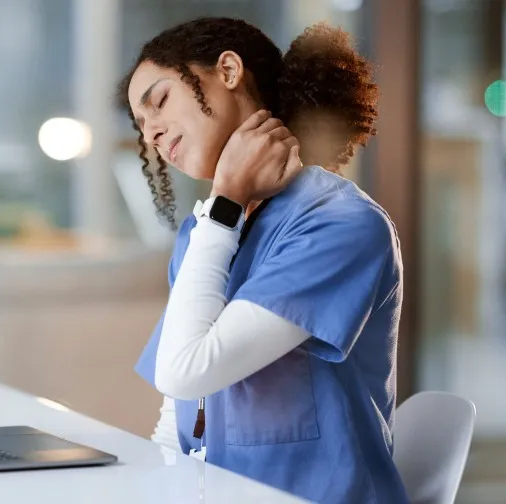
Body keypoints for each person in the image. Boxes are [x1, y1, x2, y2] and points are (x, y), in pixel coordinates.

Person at [117, 18, 408, 504]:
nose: (152, 136)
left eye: (160, 102)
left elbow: (185, 370)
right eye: (142, 127)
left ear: (228, 70)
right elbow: (181, 411)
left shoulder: (340, 225)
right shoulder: (207, 231)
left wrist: (226, 200)